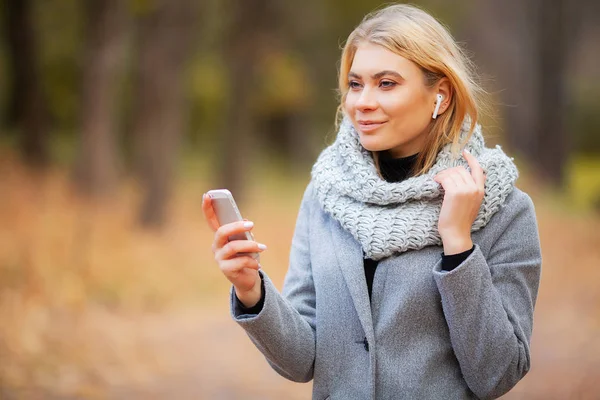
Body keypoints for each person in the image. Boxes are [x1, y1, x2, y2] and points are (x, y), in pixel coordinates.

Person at [202, 4, 542, 399]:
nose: (361, 102)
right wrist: (250, 289)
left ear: (441, 95)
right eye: (355, 83)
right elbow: (302, 360)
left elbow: (498, 374)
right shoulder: (328, 194)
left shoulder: (504, 209)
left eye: (386, 83)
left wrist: (458, 245)